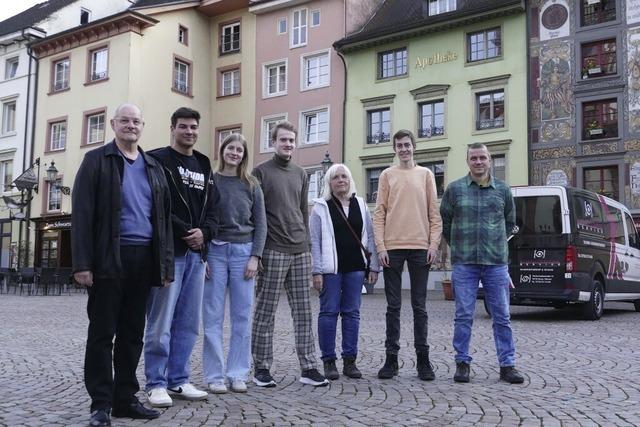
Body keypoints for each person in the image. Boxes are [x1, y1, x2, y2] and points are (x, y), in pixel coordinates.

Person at [72, 103, 173, 427]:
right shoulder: (96, 161)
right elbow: (83, 215)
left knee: (133, 333)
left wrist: (165, 266)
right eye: (124, 121)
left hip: (143, 258)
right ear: (113, 124)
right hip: (107, 260)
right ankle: (100, 403)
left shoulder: (153, 166)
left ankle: (125, 399)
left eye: (136, 121)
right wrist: (82, 264)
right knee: (102, 334)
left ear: (143, 126)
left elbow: (163, 220)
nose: (130, 125)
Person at [144, 107, 216, 407]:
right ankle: (155, 382)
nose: (189, 131)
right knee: (160, 323)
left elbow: (214, 209)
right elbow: (152, 204)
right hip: (168, 253)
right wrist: (185, 230)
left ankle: (179, 379)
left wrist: (205, 233)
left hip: (197, 256)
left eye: (194, 127)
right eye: (183, 126)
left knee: (188, 322)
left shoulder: (203, 163)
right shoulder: (156, 160)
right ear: (172, 128)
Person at [251, 121, 328, 387]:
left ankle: (309, 367)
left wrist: (307, 244)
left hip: (299, 250)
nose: (288, 144)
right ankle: (261, 368)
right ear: (274, 142)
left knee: (304, 312)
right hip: (272, 249)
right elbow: (255, 215)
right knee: (265, 312)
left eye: (292, 141)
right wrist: (257, 253)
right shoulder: (260, 172)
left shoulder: (300, 173)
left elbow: (302, 211)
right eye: (283, 140)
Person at [439, 143, 524, 384]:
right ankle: (462, 362)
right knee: (463, 314)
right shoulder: (455, 190)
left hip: (496, 262)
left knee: (502, 316)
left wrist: (496, 242)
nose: (478, 162)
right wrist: (459, 244)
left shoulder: (503, 190)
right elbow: (446, 222)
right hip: (464, 262)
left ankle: (507, 365)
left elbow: (510, 223)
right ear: (468, 161)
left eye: (483, 158)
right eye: (474, 158)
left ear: (489, 160)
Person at [373, 129, 442, 381]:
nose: (403, 149)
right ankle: (391, 360)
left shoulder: (425, 175)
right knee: (393, 306)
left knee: (419, 306)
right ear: (395, 149)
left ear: (414, 147)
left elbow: (434, 213)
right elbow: (379, 213)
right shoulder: (386, 175)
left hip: (420, 247)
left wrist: (433, 244)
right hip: (392, 247)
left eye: (407, 145)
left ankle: (423, 360)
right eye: (399, 145)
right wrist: (380, 247)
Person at [202, 133, 267, 393]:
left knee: (242, 316)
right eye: (231, 148)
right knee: (212, 317)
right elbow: (202, 219)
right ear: (223, 150)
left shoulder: (252, 185)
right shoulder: (211, 182)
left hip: (244, 253)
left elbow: (261, 224)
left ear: (244, 155)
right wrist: (202, 256)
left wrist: (256, 256)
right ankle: (215, 376)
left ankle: (238, 373)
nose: (235, 153)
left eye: (240, 150)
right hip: (215, 252)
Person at [310, 163, 380, 380]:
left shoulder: (360, 204)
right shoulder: (321, 206)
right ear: (329, 183)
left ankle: (350, 361)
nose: (341, 180)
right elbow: (315, 241)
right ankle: (329, 361)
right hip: (331, 270)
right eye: (336, 177)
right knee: (329, 313)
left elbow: (369, 236)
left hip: (356, 268)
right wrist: (317, 271)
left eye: (344, 177)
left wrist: (373, 266)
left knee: (352, 313)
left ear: (350, 181)